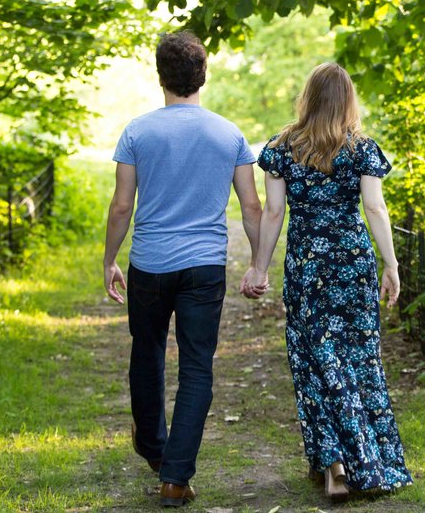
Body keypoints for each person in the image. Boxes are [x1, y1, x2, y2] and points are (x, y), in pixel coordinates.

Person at [102, 31, 264, 508]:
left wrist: (110, 259)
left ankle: (154, 449)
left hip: (149, 265)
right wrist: (257, 263)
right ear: (203, 75)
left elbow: (120, 207)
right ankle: (175, 477)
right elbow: (251, 207)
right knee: (196, 368)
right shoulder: (228, 133)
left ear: (160, 77)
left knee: (146, 354)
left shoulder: (137, 132)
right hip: (204, 267)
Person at [242, 62, 414, 502]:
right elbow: (374, 209)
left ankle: (335, 464)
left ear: (309, 98)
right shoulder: (361, 148)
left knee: (314, 360)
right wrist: (390, 264)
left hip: (308, 266)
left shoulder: (281, 149)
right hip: (352, 264)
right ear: (348, 100)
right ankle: (368, 462)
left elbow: (275, 213)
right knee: (356, 358)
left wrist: (260, 267)